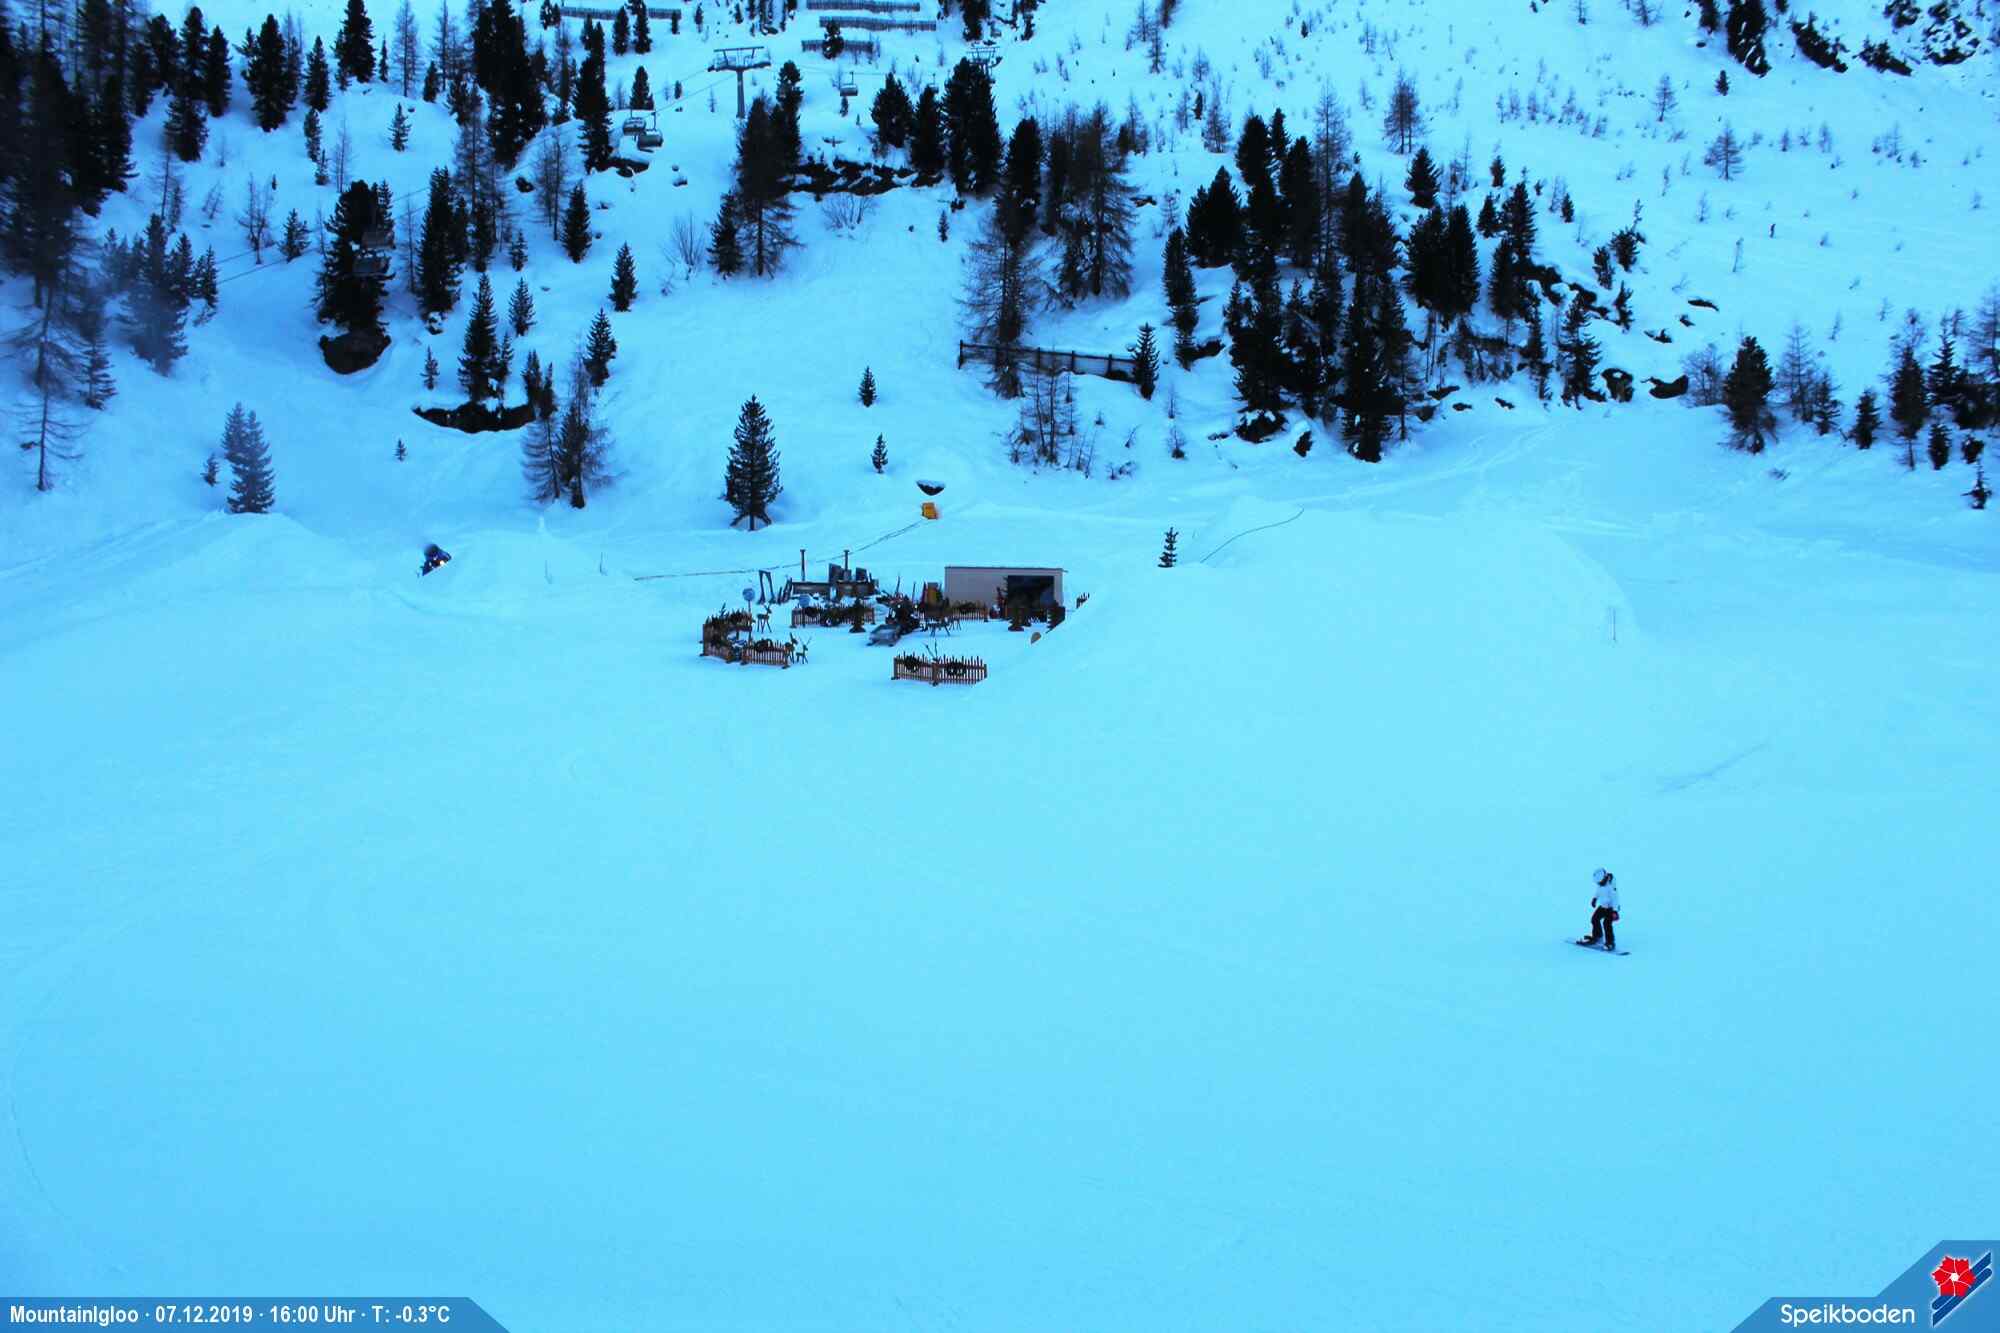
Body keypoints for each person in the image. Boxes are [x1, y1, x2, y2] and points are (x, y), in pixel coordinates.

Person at [1579, 868, 1621, 950]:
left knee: (1606, 924)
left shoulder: (1611, 886)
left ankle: (1610, 943)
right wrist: (1595, 898)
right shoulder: (1601, 884)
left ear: (1604, 878)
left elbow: (1615, 899)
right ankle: (1598, 936)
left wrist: (1615, 911)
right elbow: (1598, 891)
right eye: (1598, 883)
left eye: (1600, 882)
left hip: (1611, 908)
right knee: (1594, 919)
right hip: (1603, 906)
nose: (1599, 884)